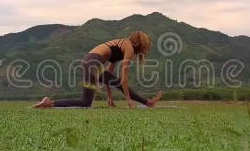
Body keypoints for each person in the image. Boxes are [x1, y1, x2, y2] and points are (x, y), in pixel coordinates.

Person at [33, 31, 162, 108]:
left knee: (86, 102)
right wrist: (128, 99)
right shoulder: (129, 47)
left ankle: (49, 103)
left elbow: (109, 76)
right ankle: (148, 102)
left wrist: (110, 97)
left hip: (88, 62)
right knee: (117, 83)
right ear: (139, 43)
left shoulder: (120, 47)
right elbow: (124, 77)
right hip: (92, 62)